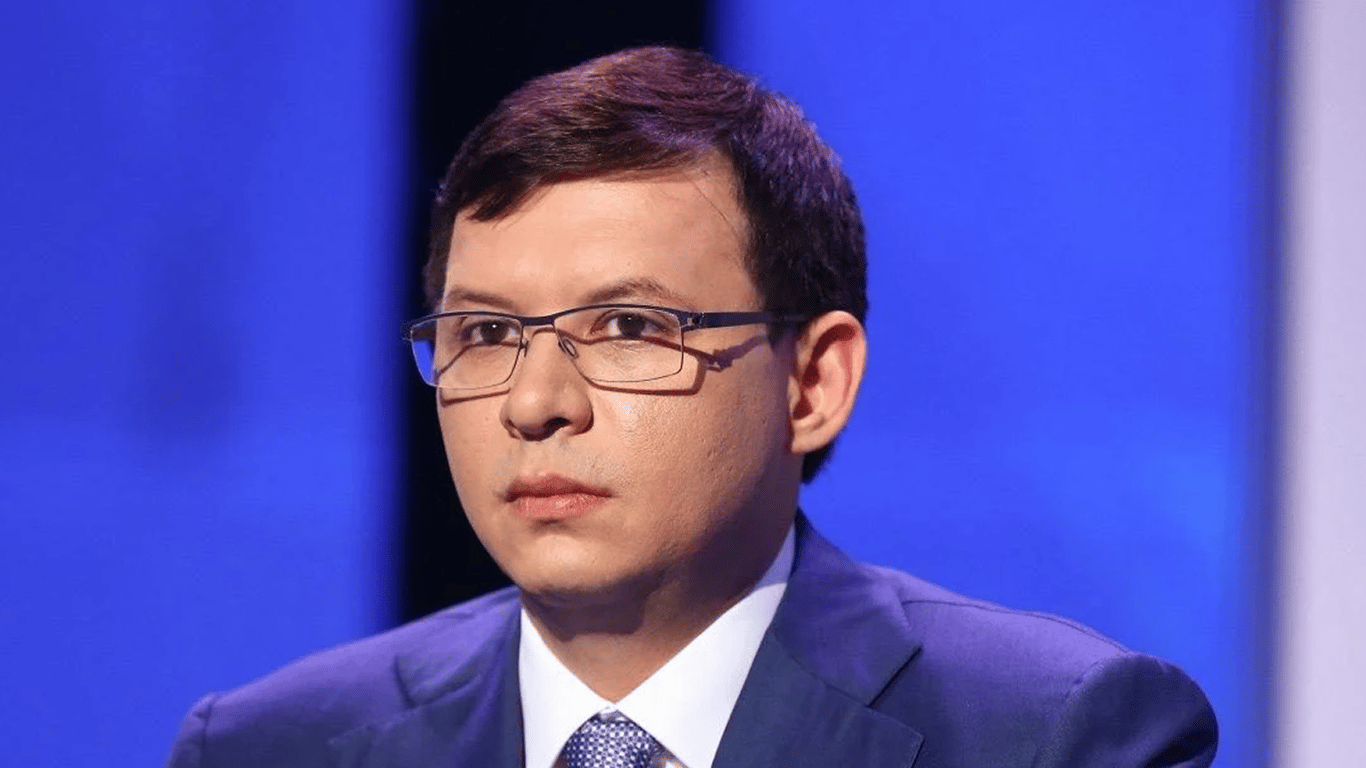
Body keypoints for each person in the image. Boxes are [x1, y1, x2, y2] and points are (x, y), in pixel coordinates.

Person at [165, 46, 1217, 768]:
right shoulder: (272, 747)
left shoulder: (1049, 735)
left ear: (813, 383)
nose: (534, 403)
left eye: (628, 326)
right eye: (483, 334)